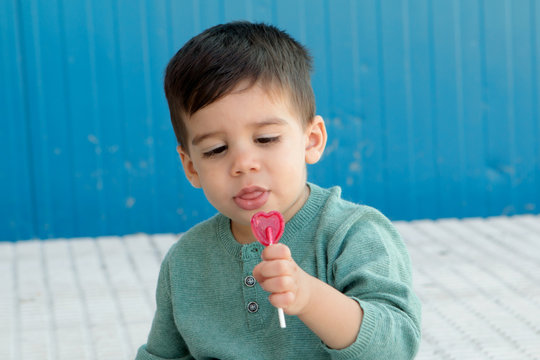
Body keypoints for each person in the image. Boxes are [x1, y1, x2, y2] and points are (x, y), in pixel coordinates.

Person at [135, 21, 421, 360]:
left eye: (266, 139)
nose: (243, 163)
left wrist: (310, 297)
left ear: (311, 141)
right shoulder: (185, 261)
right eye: (215, 149)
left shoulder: (353, 234)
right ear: (191, 167)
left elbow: (396, 347)